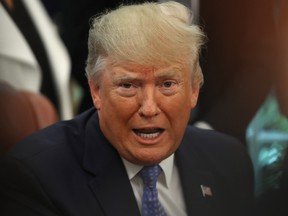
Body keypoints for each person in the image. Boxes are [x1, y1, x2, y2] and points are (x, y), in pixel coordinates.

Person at [0, 1, 255, 216]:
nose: (149, 108)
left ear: (194, 90)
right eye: (128, 85)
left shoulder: (230, 161)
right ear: (96, 91)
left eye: (167, 84)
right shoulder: (37, 176)